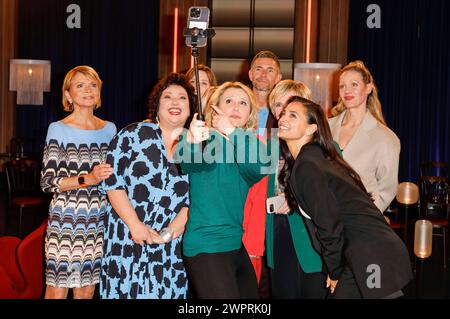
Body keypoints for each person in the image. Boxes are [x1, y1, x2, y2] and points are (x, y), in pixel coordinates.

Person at [278, 96, 413, 299]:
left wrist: (334, 270)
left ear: (311, 129)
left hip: (372, 254)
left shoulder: (308, 166)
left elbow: (329, 224)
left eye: (293, 115)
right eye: (283, 114)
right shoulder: (316, 159)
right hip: (363, 253)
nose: (283, 118)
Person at [100, 73, 196, 299]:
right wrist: (135, 225)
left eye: (182, 98)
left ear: (191, 107)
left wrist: (166, 234)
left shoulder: (198, 146)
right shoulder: (132, 134)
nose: (175, 103)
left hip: (171, 245)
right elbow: (113, 182)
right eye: (167, 97)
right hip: (125, 236)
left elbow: (197, 198)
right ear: (156, 105)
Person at [175, 81, 270, 298]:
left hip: (235, 243)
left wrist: (231, 131)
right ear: (215, 108)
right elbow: (191, 163)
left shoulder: (250, 144)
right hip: (207, 244)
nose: (236, 107)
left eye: (243, 103)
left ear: (251, 114)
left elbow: (261, 165)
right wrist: (190, 139)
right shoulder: (204, 137)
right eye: (229, 101)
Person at [40, 65, 117, 299]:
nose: (88, 90)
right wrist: (88, 179)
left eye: (93, 85)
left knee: (86, 290)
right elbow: (48, 182)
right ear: (68, 95)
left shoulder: (111, 129)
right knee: (57, 290)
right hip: (66, 221)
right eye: (80, 85)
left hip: (99, 221)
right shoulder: (58, 129)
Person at [265, 80, 327, 299]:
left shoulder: (324, 148)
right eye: (279, 106)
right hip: (278, 232)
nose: (283, 113)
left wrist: (292, 199)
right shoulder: (266, 146)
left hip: (312, 235)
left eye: (291, 107)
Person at [329, 60, 400, 213]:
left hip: (361, 221)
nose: (347, 90)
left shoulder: (385, 138)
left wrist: (367, 217)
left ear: (368, 88)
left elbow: (387, 190)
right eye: (342, 86)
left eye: (354, 84)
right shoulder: (325, 127)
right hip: (324, 218)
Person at [245, 50, 282, 297]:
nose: (263, 74)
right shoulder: (237, 106)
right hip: (240, 191)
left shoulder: (284, 114)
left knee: (267, 258)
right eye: (259, 68)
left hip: (270, 194)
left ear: (278, 77)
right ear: (249, 74)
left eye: (270, 70)